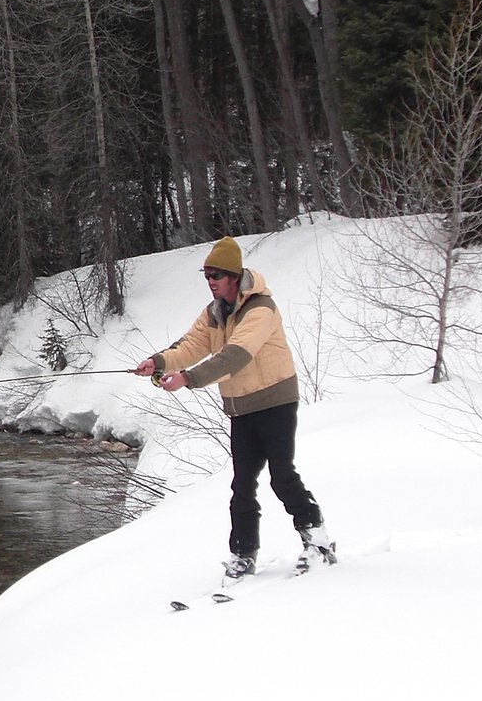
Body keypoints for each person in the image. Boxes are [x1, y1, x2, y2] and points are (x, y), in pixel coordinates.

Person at [133, 237, 334, 579]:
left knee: (281, 476)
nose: (210, 282)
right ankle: (243, 555)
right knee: (242, 485)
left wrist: (188, 379)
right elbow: (191, 345)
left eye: (216, 276)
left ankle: (317, 542)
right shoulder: (214, 314)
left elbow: (235, 356)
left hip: (276, 401)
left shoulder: (261, 309)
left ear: (233, 276)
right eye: (206, 276)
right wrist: (159, 362)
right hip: (241, 409)